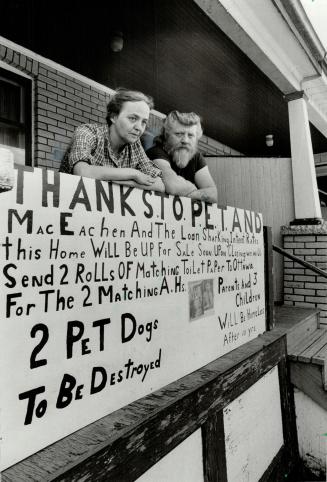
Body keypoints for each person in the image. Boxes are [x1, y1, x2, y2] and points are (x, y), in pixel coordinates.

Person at [60, 88, 164, 192]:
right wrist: (133, 174)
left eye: (144, 122)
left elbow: (159, 185)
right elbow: (82, 171)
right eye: (133, 118)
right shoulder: (88, 132)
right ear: (114, 117)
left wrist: (127, 183)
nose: (139, 127)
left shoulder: (135, 145)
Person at [146, 110, 217, 202]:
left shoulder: (196, 157)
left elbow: (213, 194)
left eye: (190, 135)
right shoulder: (156, 152)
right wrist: (199, 192)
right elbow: (173, 186)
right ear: (166, 135)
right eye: (179, 134)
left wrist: (189, 193)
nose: (185, 140)